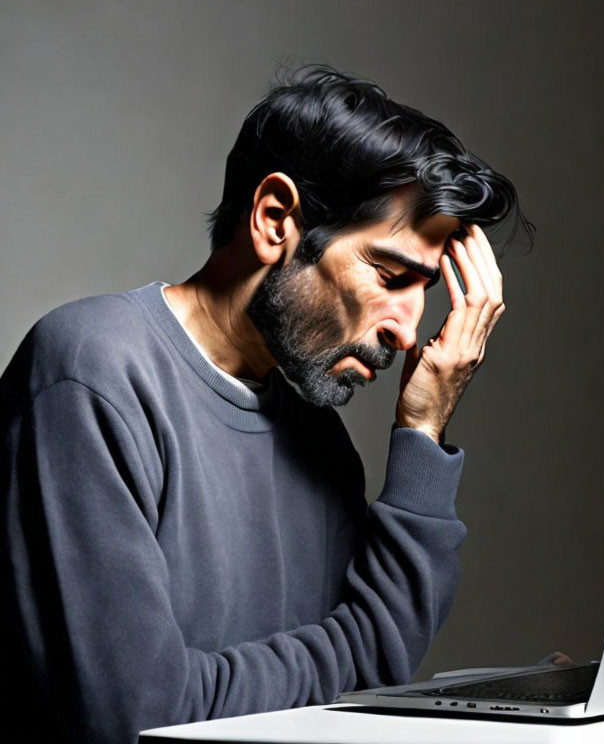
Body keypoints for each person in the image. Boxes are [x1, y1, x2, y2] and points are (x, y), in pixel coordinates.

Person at [0, 64, 532, 744]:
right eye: (391, 276)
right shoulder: (91, 372)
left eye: (422, 290)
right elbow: (138, 719)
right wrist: (360, 656)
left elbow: (374, 670)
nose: (407, 331)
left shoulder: (321, 443)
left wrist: (422, 432)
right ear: (275, 220)